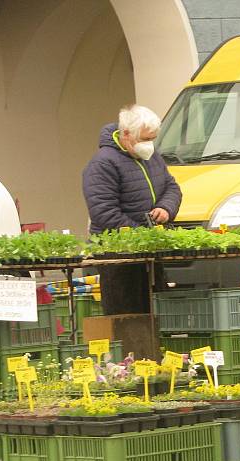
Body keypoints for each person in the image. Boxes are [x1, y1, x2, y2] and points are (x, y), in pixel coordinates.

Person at [82, 105, 182, 314]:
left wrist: (165, 208)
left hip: (148, 252)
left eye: (152, 138)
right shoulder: (103, 164)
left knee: (154, 312)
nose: (149, 145)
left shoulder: (152, 157)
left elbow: (171, 187)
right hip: (118, 256)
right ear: (126, 135)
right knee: (127, 313)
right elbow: (104, 212)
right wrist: (140, 235)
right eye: (144, 139)